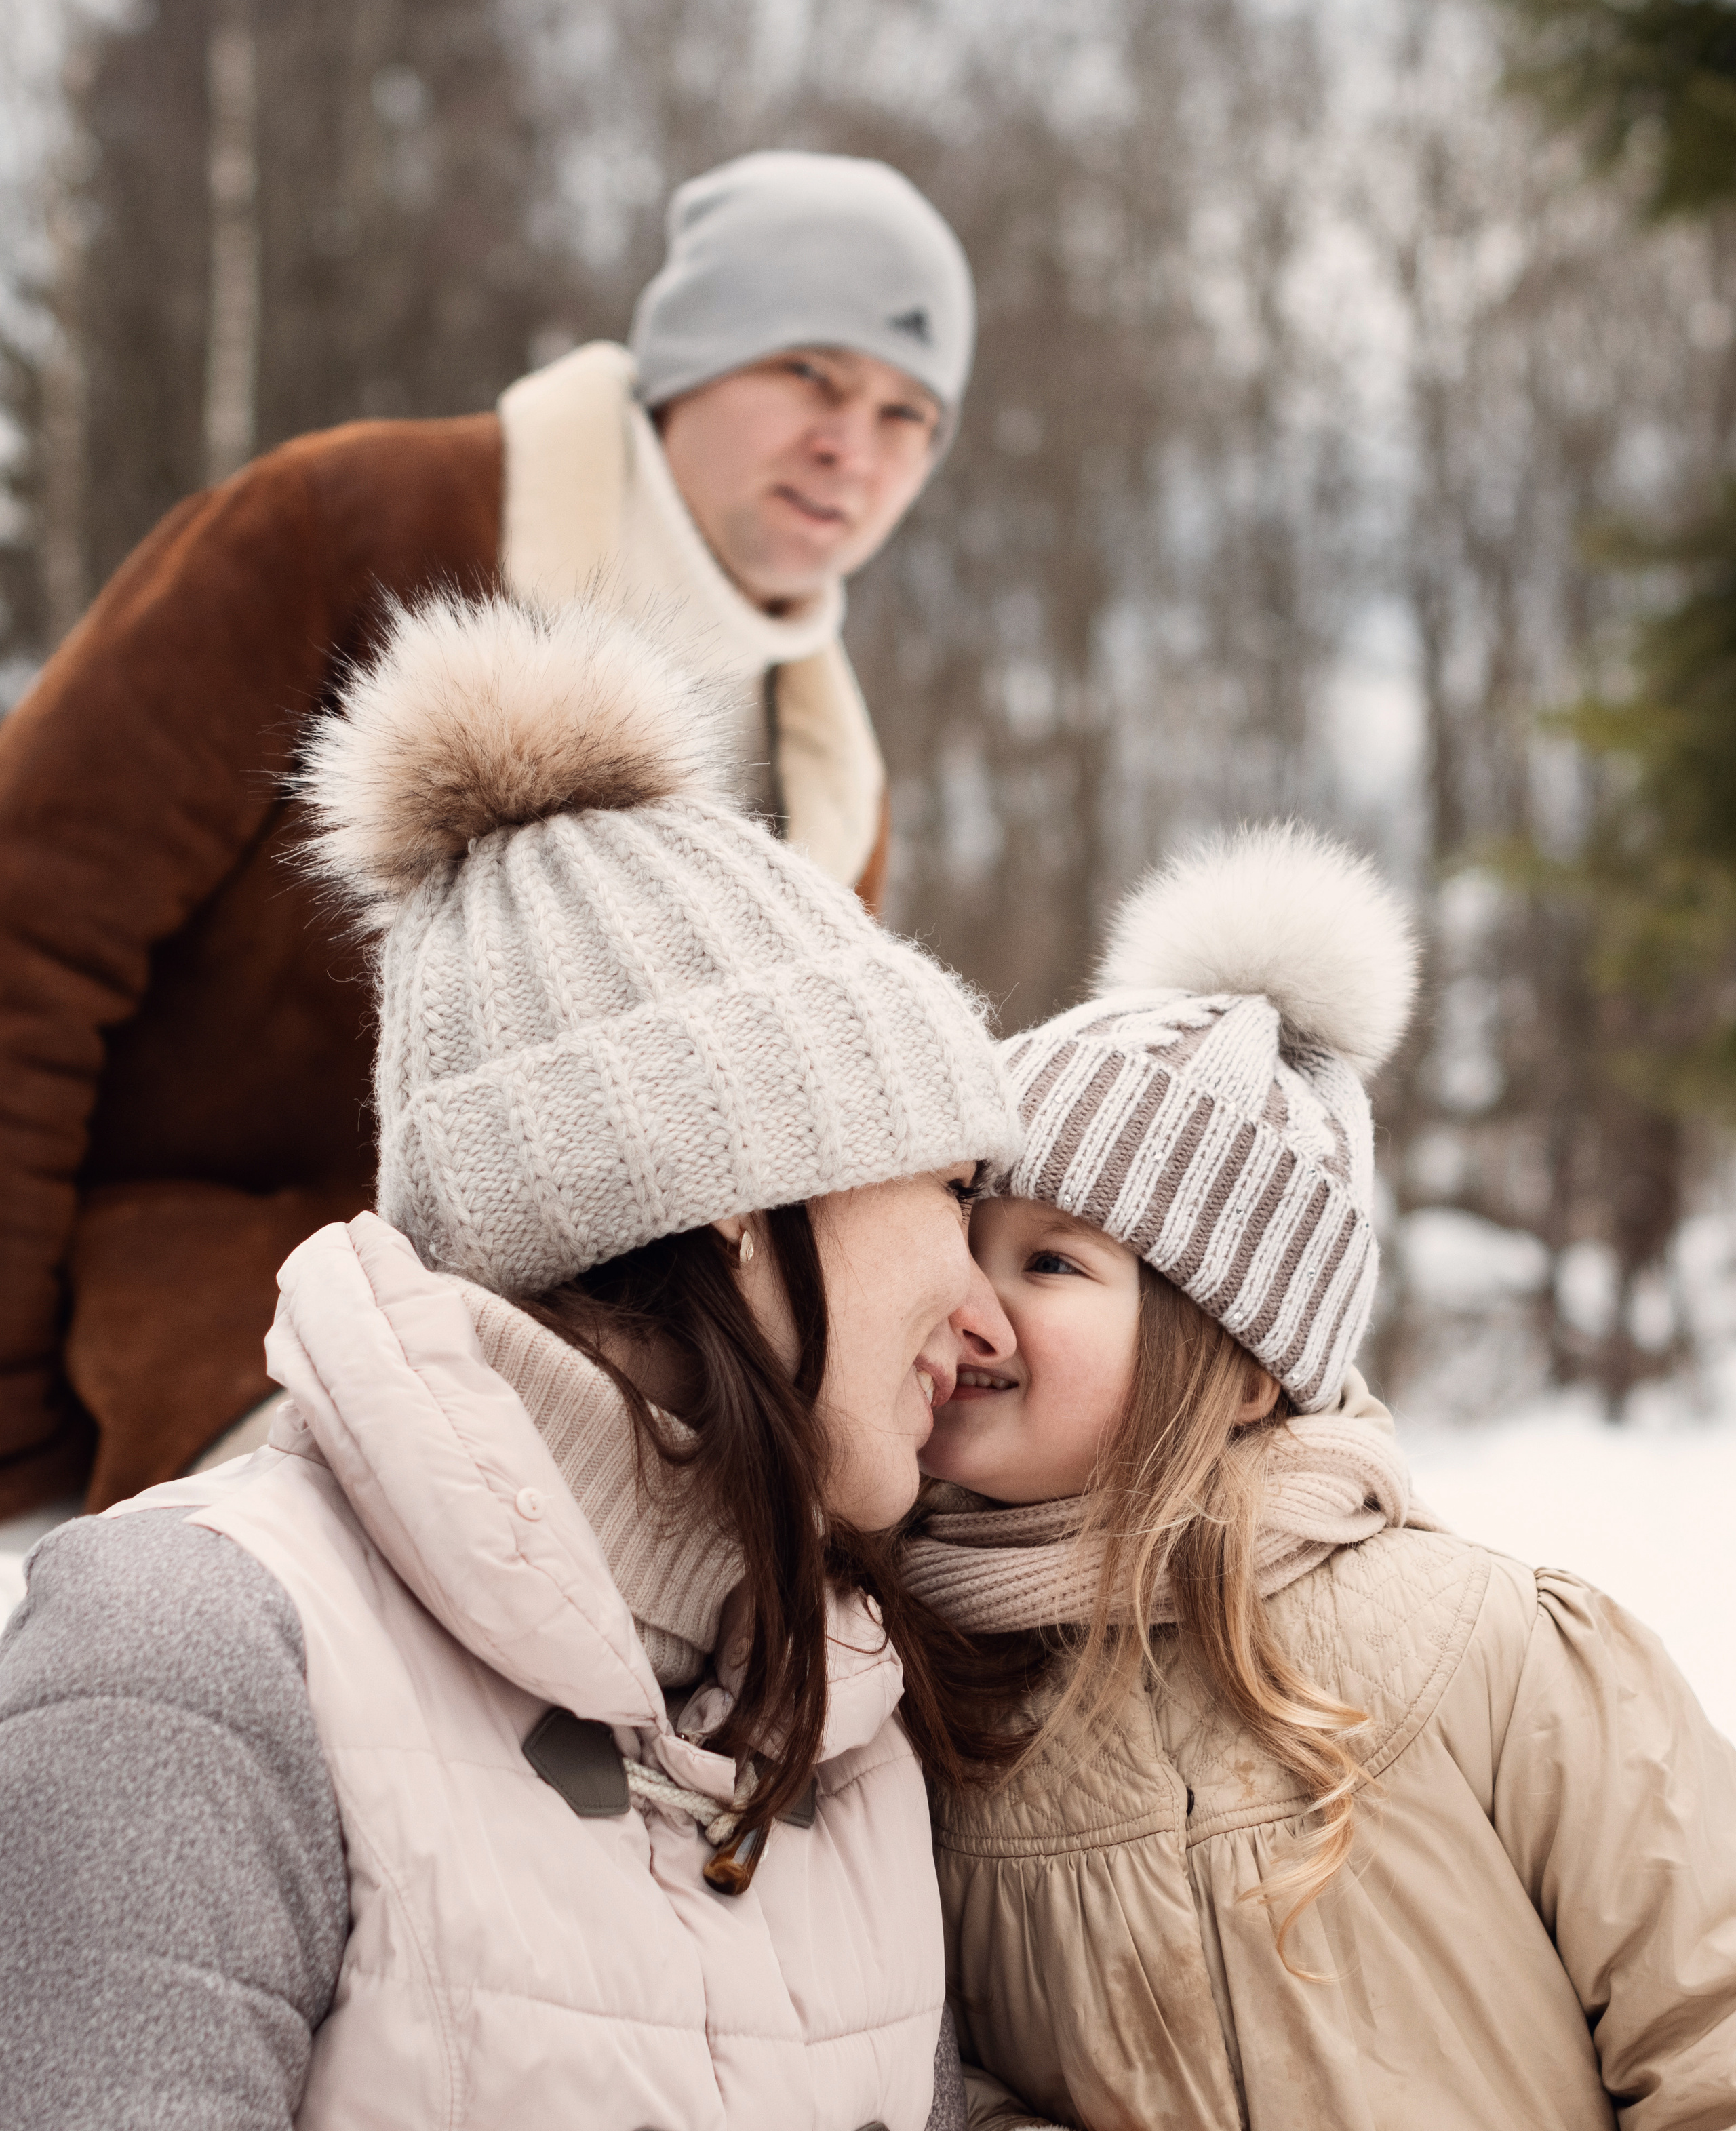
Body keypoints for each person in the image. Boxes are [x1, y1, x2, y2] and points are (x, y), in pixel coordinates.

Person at [0, 590, 1017, 2128]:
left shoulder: (851, 1728)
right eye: (949, 1189)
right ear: (734, 1189)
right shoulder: (195, 1656)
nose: (986, 1312)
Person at [0, 147, 975, 1515]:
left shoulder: (829, 787)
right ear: (687, 363)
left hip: (606, 1412)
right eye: (808, 373)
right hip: (215, 1322)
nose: (851, 447)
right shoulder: (345, 527)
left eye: (906, 414)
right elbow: (29, 931)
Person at [903, 824, 1736, 2130]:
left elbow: (1709, 2021)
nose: (969, 1305)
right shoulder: (924, 1697)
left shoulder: (1484, 1649)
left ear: (1243, 1367)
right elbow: (940, 2072)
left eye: (1050, 1263)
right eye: (963, 1245)